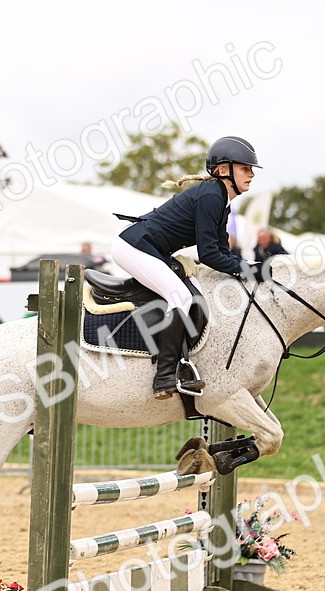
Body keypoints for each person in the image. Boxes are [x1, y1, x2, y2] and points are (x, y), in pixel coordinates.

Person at [112, 135, 259, 398]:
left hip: (150, 249)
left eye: (251, 170)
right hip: (133, 247)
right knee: (180, 296)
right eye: (245, 168)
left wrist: (247, 266)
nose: (251, 174)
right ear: (223, 171)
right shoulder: (211, 197)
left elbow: (222, 251)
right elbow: (209, 255)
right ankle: (165, 376)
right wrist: (249, 269)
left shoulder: (221, 201)